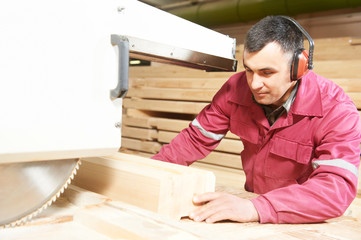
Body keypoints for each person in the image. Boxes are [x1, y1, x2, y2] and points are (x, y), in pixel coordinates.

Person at [151, 15, 361, 224]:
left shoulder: (337, 111)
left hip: (301, 218)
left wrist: (255, 208)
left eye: (266, 72)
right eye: (249, 70)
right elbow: (195, 139)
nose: (254, 84)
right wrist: (148, 172)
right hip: (253, 212)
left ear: (299, 67)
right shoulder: (236, 89)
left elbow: (335, 190)